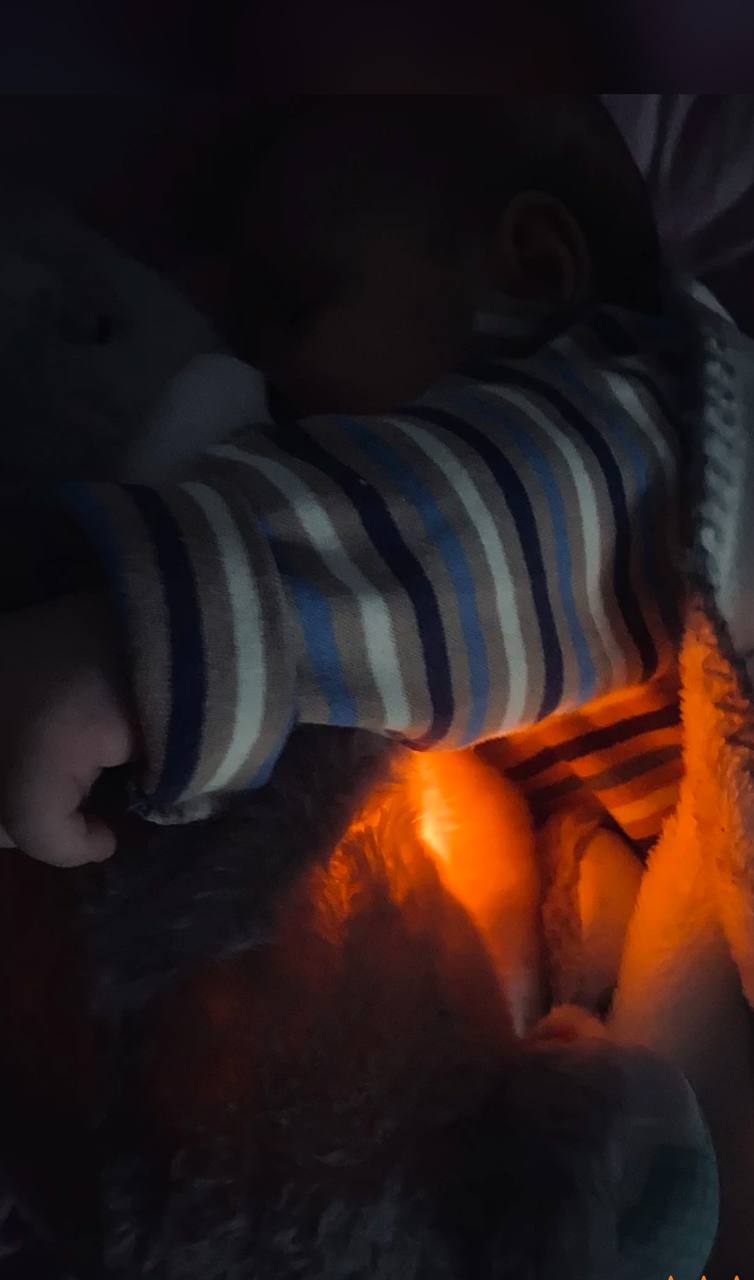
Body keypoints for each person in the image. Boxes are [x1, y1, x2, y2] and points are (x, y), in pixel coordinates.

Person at [0, 94, 739, 1276]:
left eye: (297, 304)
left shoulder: (643, 438)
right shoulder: (541, 704)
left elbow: (471, 545)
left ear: (527, 269)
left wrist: (138, 644)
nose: (261, 369)